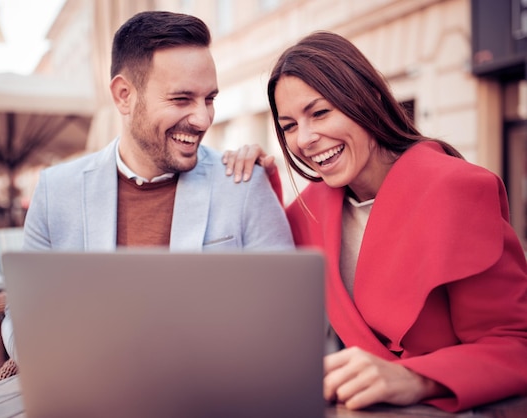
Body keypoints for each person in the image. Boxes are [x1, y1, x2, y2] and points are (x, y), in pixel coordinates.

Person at [224, 31, 527, 412]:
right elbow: (265, 287)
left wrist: (417, 378)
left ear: (368, 99)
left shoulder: (459, 188)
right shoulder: (309, 210)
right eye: (288, 126)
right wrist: (250, 182)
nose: (305, 139)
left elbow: (513, 344)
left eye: (319, 113)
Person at [0, 11, 294, 361]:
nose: (202, 119)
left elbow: (289, 318)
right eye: (181, 99)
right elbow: (21, 323)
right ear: (124, 95)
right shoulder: (55, 191)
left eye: (209, 99)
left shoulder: (243, 182)